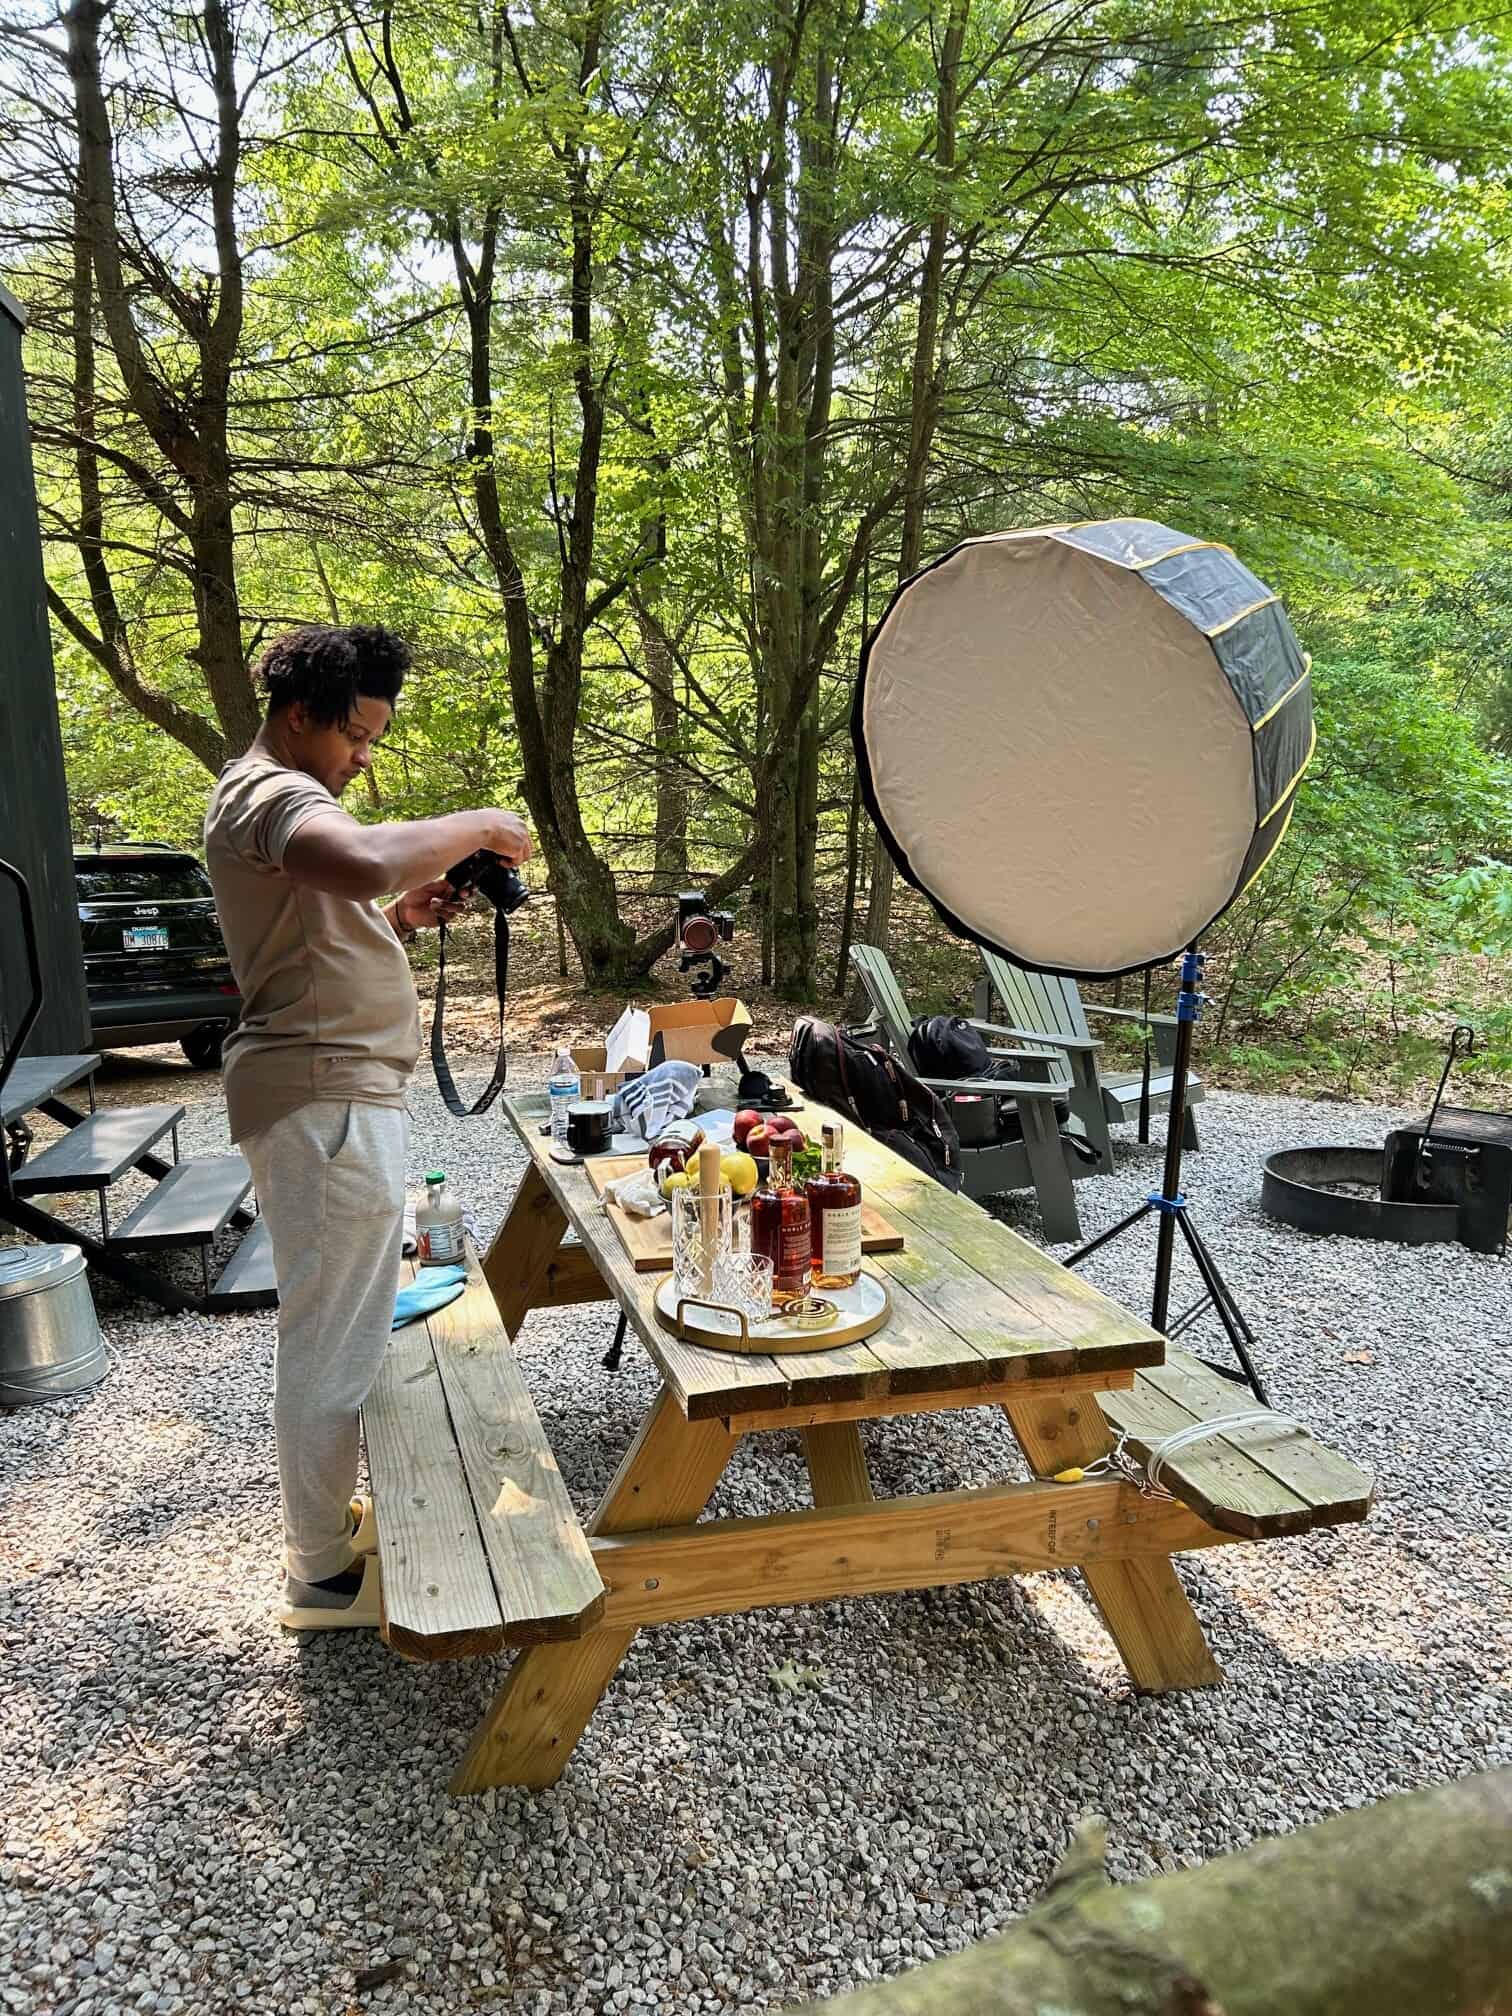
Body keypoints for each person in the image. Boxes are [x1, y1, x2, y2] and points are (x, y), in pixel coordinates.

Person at [203, 624, 531, 1630]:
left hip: (330, 1094)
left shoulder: (278, 800)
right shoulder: (271, 793)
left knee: (335, 1328)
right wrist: (474, 820)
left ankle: (325, 1531)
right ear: (299, 716)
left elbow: (323, 917)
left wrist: (400, 922)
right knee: (334, 1342)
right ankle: (321, 1575)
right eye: (356, 735)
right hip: (325, 1097)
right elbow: (352, 862)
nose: (363, 757)